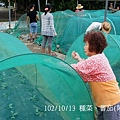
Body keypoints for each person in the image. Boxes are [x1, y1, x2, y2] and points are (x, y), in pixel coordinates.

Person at [71, 31, 120, 120]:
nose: (84, 47)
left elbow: (76, 68)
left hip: (110, 103)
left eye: (86, 44)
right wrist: (78, 58)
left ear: (93, 45)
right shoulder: (99, 57)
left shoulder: (96, 59)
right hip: (104, 102)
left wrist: (58, 65)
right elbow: (86, 67)